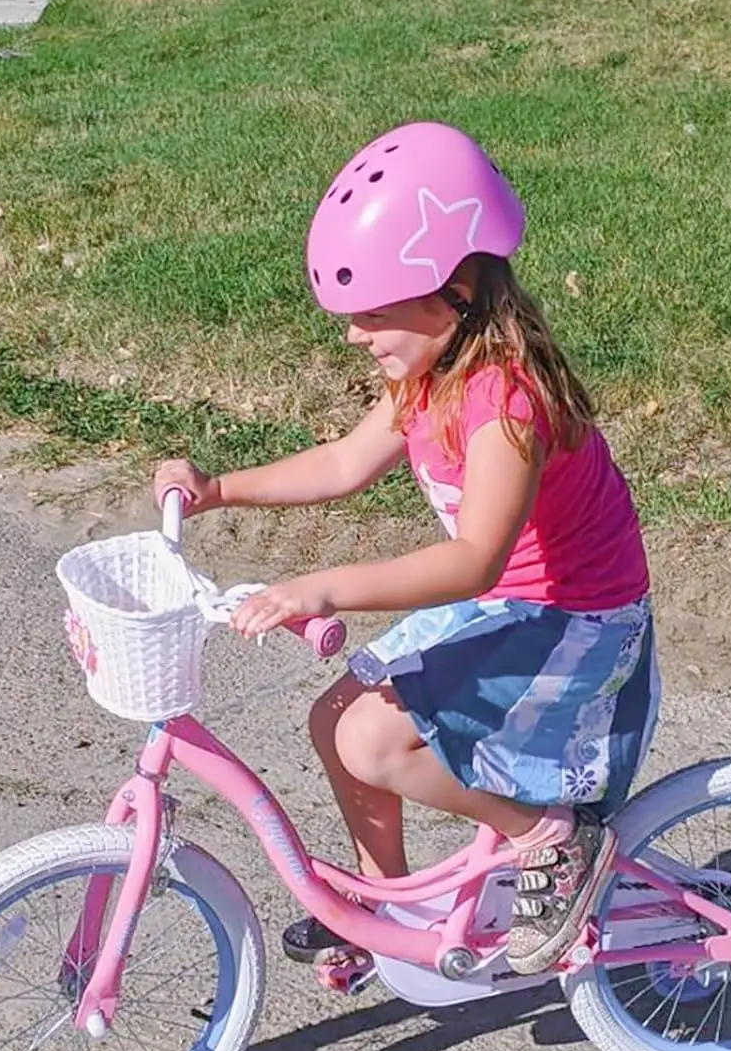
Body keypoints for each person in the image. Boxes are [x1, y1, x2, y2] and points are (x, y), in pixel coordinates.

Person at [153, 121, 659, 977]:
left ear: (455, 289)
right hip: (513, 604)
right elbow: (347, 462)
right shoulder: (429, 372)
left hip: (574, 616)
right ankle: (384, 910)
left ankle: (547, 839)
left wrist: (323, 589)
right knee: (334, 719)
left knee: (375, 743)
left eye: (375, 312)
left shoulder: (505, 402)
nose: (356, 334)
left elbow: (474, 564)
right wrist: (219, 490)